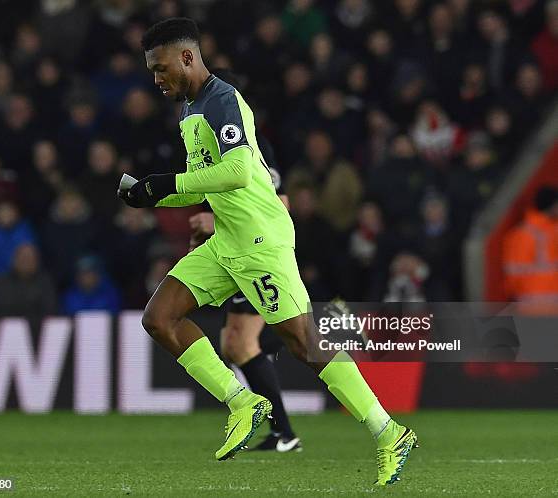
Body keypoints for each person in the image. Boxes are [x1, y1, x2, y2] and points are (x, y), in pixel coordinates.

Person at [118, 18, 417, 485]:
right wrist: (152, 195)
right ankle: (242, 402)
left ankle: (388, 431)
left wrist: (168, 183)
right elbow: (208, 182)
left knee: (302, 341)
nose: (156, 79)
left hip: (260, 241)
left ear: (187, 58)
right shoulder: (190, 109)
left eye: (160, 68)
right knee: (159, 318)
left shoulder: (222, 100)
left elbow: (236, 172)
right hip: (227, 242)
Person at [187, 68, 300, 452]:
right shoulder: (204, 138)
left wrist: (213, 220)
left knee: (248, 341)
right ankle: (284, 432)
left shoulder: (254, 144)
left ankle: (284, 431)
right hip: (232, 247)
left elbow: (280, 203)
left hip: (257, 247)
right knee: (234, 344)